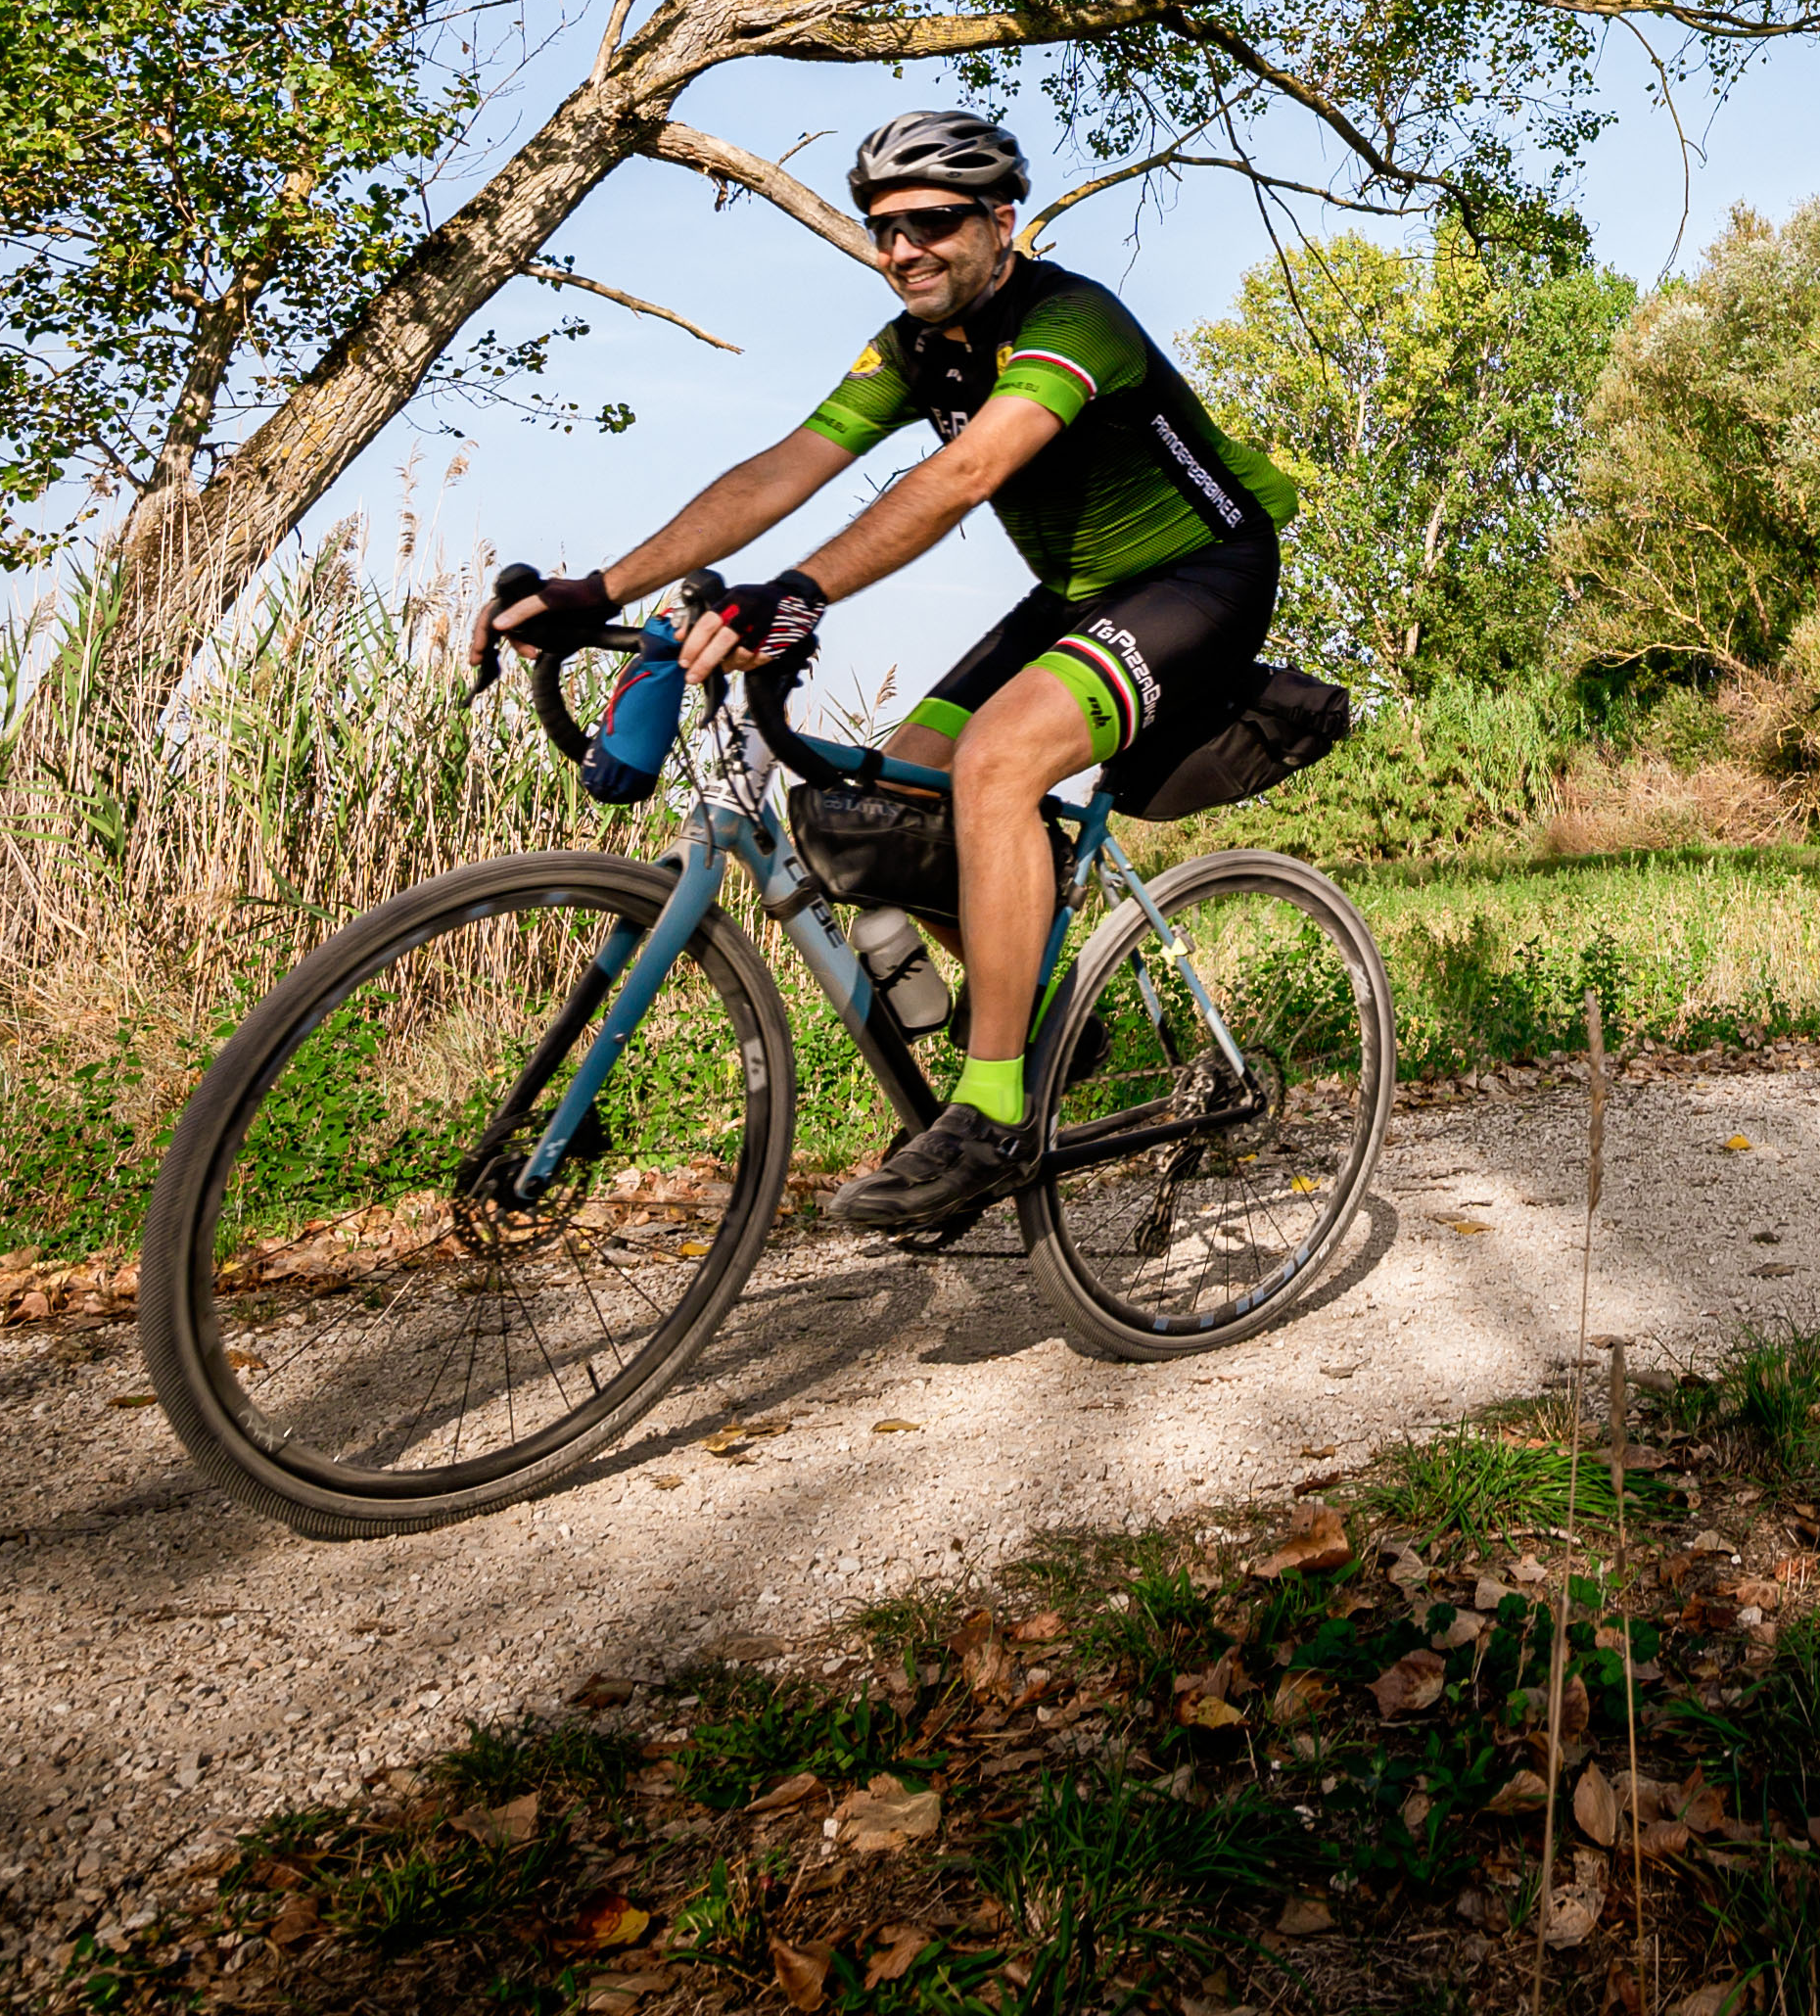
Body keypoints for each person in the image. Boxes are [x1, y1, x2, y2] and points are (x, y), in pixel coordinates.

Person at [471, 106, 1303, 1239]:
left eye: (934, 222)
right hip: (1076, 592)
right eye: (883, 228)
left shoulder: (1071, 320)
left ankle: (993, 1110)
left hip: (1201, 575)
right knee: (900, 785)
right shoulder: (914, 348)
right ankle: (1046, 1012)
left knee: (998, 761)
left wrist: (799, 590)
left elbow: (965, 473)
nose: (904, 247)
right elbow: (782, 468)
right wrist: (601, 587)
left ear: (1001, 220)